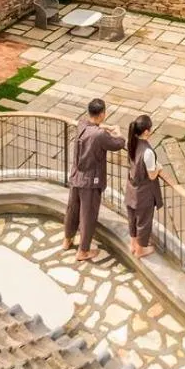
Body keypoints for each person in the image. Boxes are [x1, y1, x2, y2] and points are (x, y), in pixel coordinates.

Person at [63, 97, 125, 261]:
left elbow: (94, 125)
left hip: (76, 176)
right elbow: (117, 144)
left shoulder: (82, 124)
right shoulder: (99, 135)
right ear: (103, 113)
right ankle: (83, 251)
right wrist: (118, 133)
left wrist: (107, 127)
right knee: (87, 214)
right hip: (90, 181)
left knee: (72, 209)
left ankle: (67, 240)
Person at [125, 113, 163, 257]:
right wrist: (159, 168)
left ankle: (133, 244)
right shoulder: (147, 152)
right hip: (143, 193)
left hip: (131, 189)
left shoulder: (132, 143)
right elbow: (152, 175)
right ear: (146, 131)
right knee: (144, 221)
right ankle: (141, 250)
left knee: (132, 218)